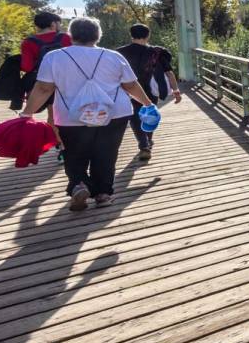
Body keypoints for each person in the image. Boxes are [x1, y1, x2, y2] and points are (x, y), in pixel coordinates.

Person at [18, 16, 154, 210]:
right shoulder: (113, 56)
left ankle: (79, 185)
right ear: (98, 35)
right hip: (114, 114)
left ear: (71, 35)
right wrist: (148, 104)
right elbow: (130, 85)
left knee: (74, 153)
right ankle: (103, 194)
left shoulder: (54, 57)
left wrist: (27, 113)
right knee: (106, 153)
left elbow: (43, 89)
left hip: (70, 116)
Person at [116, 24, 182, 161]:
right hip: (150, 90)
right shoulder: (156, 52)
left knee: (134, 117)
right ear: (148, 35)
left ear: (131, 35)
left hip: (128, 89)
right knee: (150, 114)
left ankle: (144, 145)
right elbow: (169, 73)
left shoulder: (119, 53)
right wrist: (176, 90)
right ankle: (147, 141)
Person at [21, 11, 72, 157]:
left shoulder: (28, 42)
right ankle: (71, 144)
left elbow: (27, 67)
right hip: (67, 80)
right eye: (58, 23)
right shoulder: (65, 38)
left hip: (43, 82)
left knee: (52, 114)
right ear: (53, 24)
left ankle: (60, 146)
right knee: (66, 113)